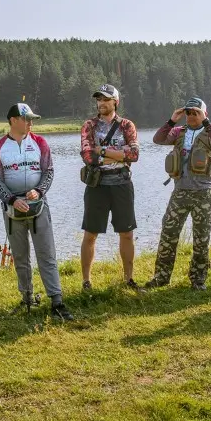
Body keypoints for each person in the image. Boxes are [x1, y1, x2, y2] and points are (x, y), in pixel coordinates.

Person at [0, 103, 73, 320]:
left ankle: (57, 301)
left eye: (32, 119)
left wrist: (38, 190)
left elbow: (49, 172)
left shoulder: (40, 143)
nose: (30, 123)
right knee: (20, 256)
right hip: (12, 210)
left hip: (39, 208)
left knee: (46, 254)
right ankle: (27, 298)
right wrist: (11, 199)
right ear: (13, 120)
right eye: (26, 119)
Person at [145, 98, 211, 291]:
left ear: (204, 114)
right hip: (180, 192)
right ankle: (161, 278)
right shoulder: (178, 132)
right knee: (168, 234)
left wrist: (206, 122)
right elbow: (157, 139)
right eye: (189, 113)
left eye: (195, 112)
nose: (191, 116)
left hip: (203, 193)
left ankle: (198, 281)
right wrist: (172, 120)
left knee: (201, 238)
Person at [79, 84, 142, 291]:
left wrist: (103, 151)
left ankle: (128, 279)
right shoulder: (89, 126)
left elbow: (134, 155)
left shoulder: (126, 125)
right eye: (99, 99)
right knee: (90, 234)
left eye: (106, 99)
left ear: (116, 102)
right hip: (97, 186)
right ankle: (86, 281)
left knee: (127, 233)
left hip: (122, 183)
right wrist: (119, 154)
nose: (101, 103)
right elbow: (88, 157)